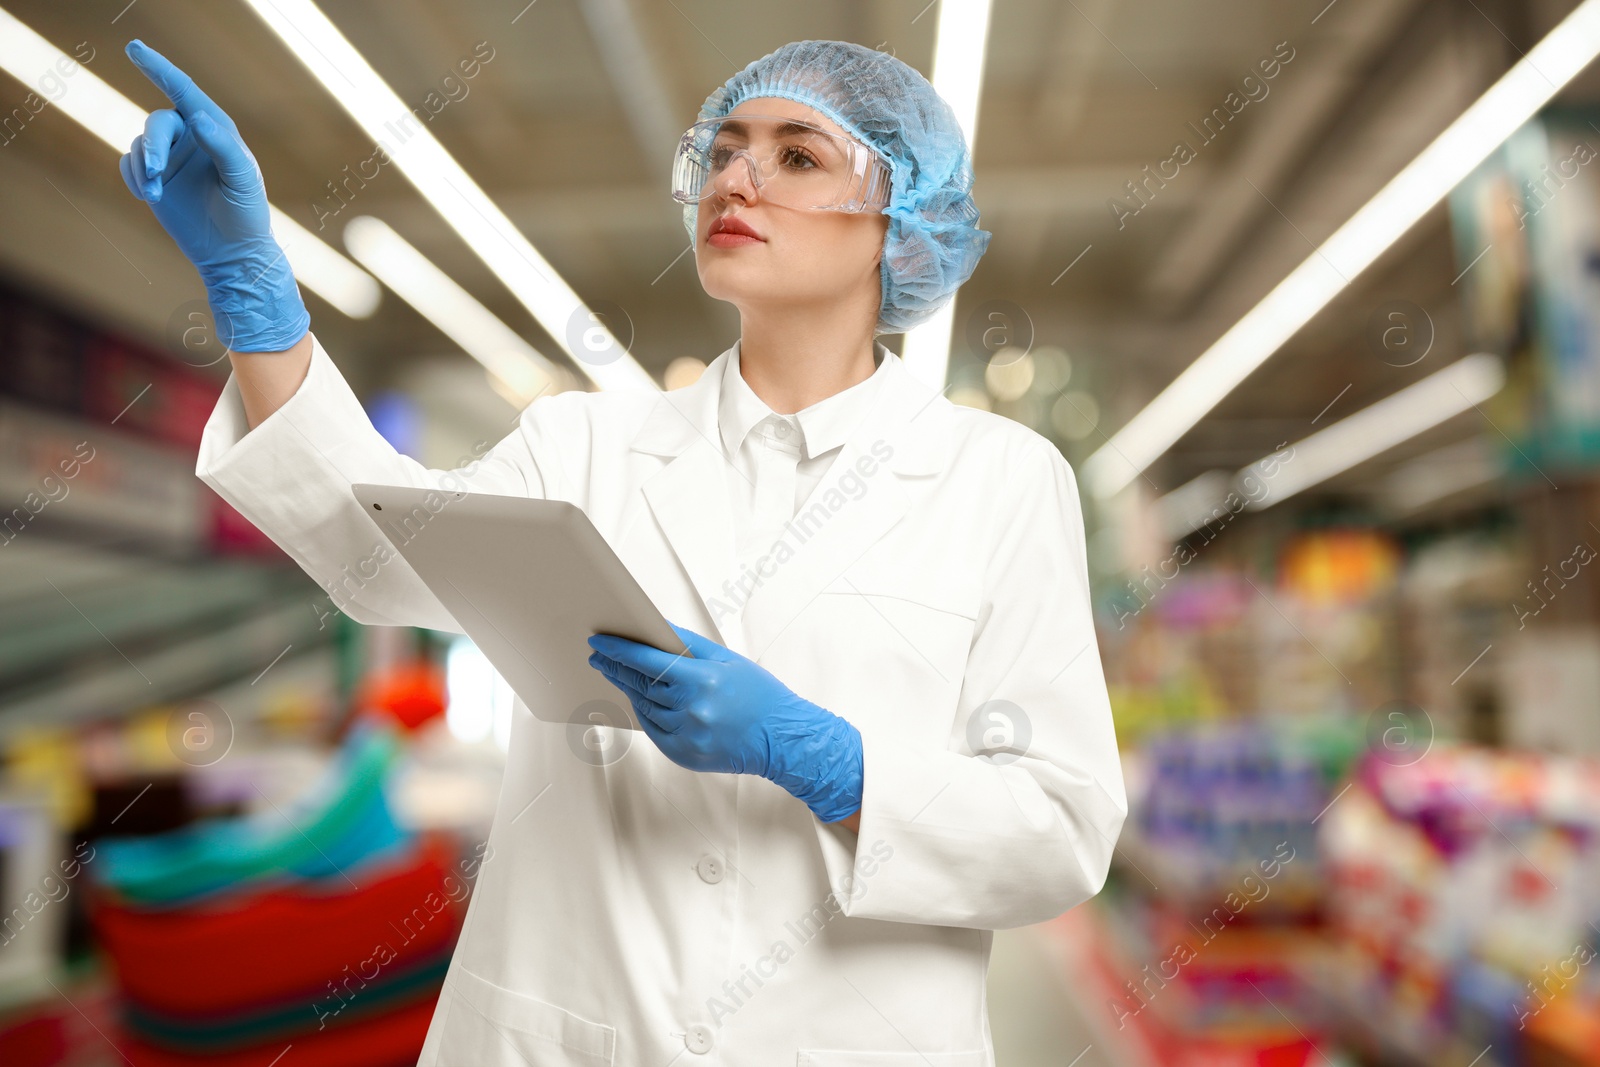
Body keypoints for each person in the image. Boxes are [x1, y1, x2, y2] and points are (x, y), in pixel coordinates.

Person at [118, 35, 1126, 1067]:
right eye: (725, 148)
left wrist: (830, 762)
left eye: (796, 156)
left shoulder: (998, 478)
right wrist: (255, 292)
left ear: (897, 222)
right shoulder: (580, 446)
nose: (737, 177)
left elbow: (1059, 826)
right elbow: (373, 557)